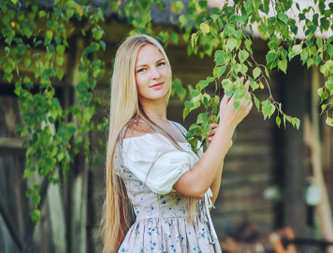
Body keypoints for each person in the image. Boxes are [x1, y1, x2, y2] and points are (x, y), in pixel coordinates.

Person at [100, 34, 252, 253]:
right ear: (128, 79)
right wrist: (227, 125)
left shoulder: (177, 130)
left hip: (193, 240)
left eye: (160, 64)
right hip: (161, 243)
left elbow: (205, 199)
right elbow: (195, 186)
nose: (156, 74)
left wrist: (220, 144)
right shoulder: (134, 134)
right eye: (142, 69)